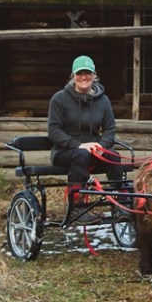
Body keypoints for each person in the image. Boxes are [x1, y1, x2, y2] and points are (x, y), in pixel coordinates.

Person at [48, 55, 123, 219]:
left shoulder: (103, 101)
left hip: (95, 152)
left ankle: (121, 203)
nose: (84, 77)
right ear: (73, 75)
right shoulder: (59, 99)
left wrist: (102, 146)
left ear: (94, 75)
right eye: (79, 73)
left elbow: (110, 129)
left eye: (87, 73)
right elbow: (53, 130)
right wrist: (78, 145)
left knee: (114, 156)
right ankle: (77, 205)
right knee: (82, 154)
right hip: (64, 152)